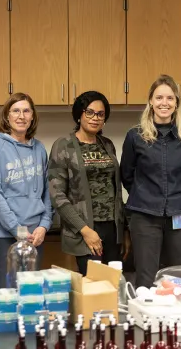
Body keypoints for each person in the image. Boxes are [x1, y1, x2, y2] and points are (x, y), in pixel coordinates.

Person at [121, 75, 181, 288]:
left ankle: (176, 320)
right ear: (150, 101)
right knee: (146, 278)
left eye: (169, 98)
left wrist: (174, 196)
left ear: (176, 103)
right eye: (158, 98)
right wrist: (148, 196)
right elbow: (127, 175)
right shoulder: (135, 136)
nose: (164, 103)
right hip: (144, 216)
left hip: (179, 215)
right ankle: (145, 319)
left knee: (180, 277)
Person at [48, 91, 129, 276]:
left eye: (100, 114)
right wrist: (85, 231)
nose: (95, 118)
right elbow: (57, 195)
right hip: (86, 228)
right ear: (79, 115)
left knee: (115, 285)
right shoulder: (64, 146)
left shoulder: (107, 145)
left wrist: (124, 231)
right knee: (94, 286)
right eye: (90, 112)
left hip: (113, 229)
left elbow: (115, 190)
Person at [0, 93, 52, 288]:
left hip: (35, 235)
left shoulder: (39, 149)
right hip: (3, 235)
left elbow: (47, 192)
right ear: (7, 116)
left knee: (30, 295)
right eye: (16, 111)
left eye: (26, 111)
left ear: (32, 117)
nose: (21, 116)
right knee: (7, 296)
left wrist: (44, 226)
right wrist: (18, 230)